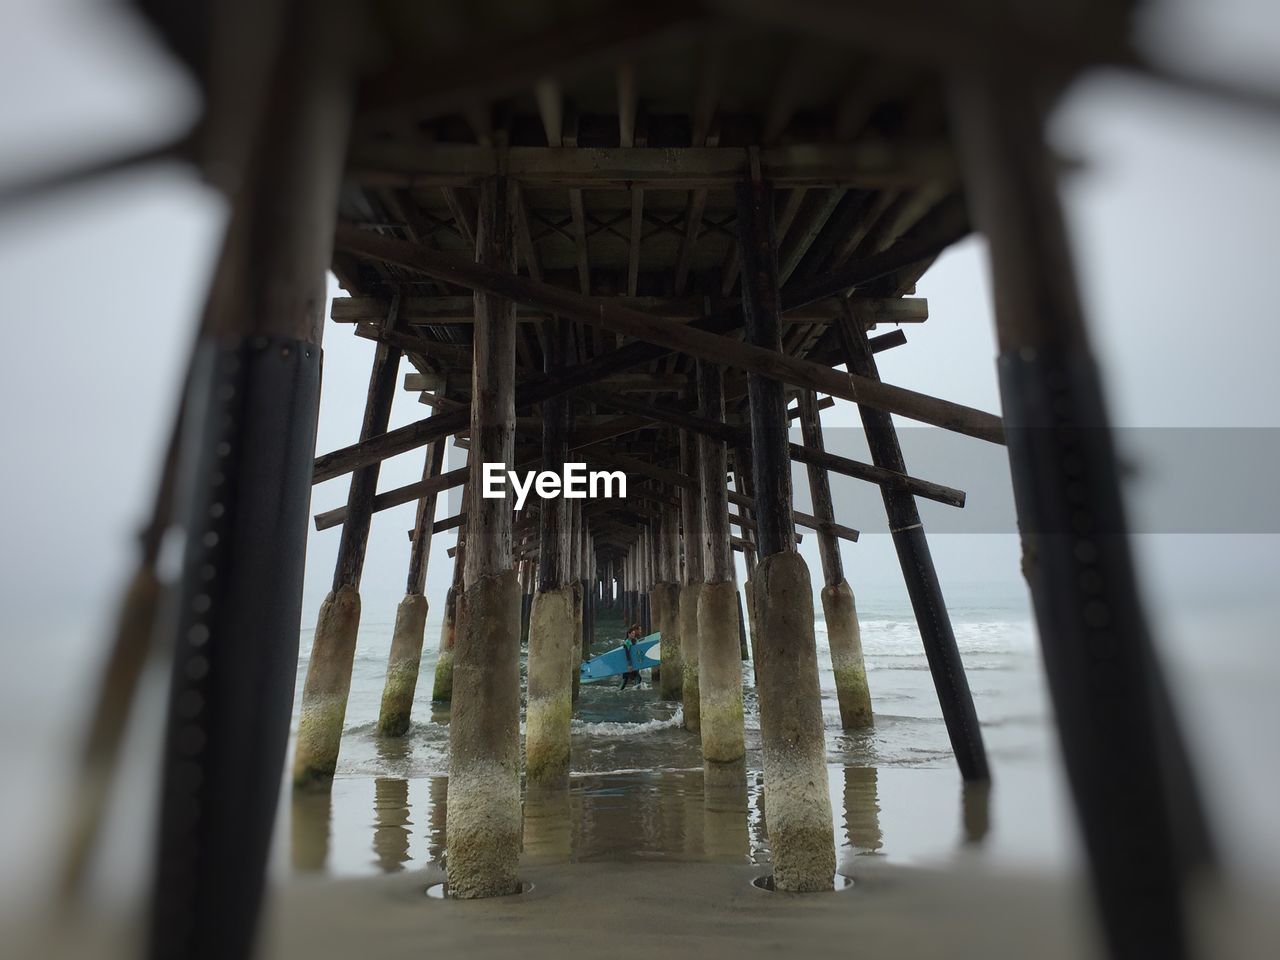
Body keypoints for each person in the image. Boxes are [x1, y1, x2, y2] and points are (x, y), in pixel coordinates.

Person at [619, 623, 643, 690]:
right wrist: (629, 665)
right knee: (628, 678)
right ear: (629, 634)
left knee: (628, 679)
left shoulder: (633, 640)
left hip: (632, 663)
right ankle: (635, 690)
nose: (633, 634)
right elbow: (627, 654)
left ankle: (632, 690)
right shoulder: (627, 642)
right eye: (632, 633)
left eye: (633, 633)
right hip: (629, 663)